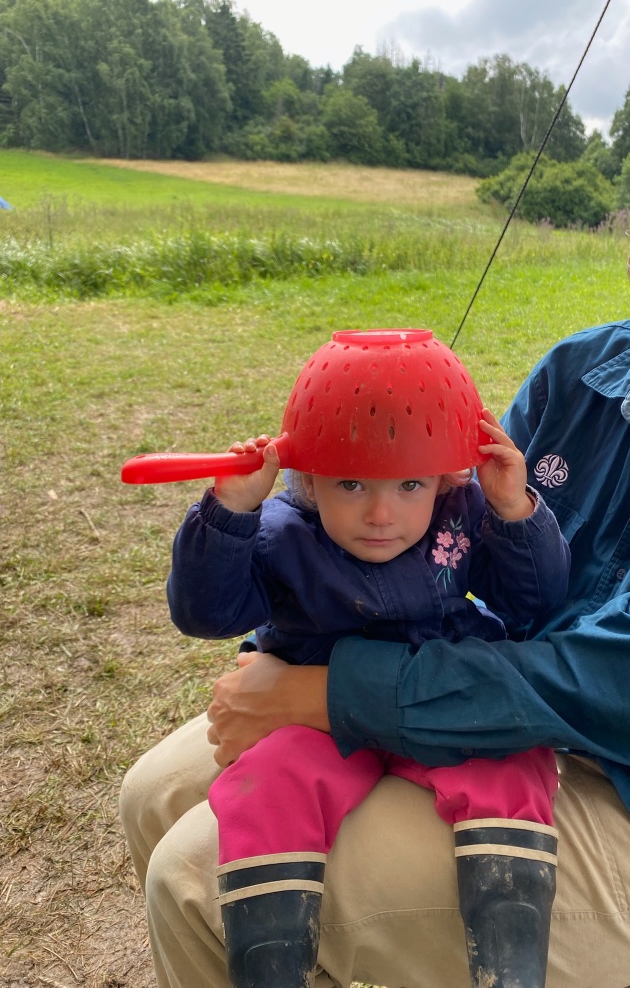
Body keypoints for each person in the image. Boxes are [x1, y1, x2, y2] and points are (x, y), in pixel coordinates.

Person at [120, 93, 630, 988]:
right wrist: (301, 564)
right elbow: (445, 542)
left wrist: (329, 692)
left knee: (193, 885)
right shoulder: (583, 369)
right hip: (465, 694)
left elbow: (627, 688)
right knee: (153, 797)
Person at [164, 328, 569, 988]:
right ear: (307, 476)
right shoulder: (279, 533)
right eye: (350, 483)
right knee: (266, 786)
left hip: (440, 695)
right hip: (315, 711)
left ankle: (511, 967)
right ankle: (271, 967)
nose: (381, 513)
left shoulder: (461, 513)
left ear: (444, 477)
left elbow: (534, 598)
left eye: (410, 484)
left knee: (510, 763)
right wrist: (229, 512)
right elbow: (204, 613)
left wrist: (513, 509)